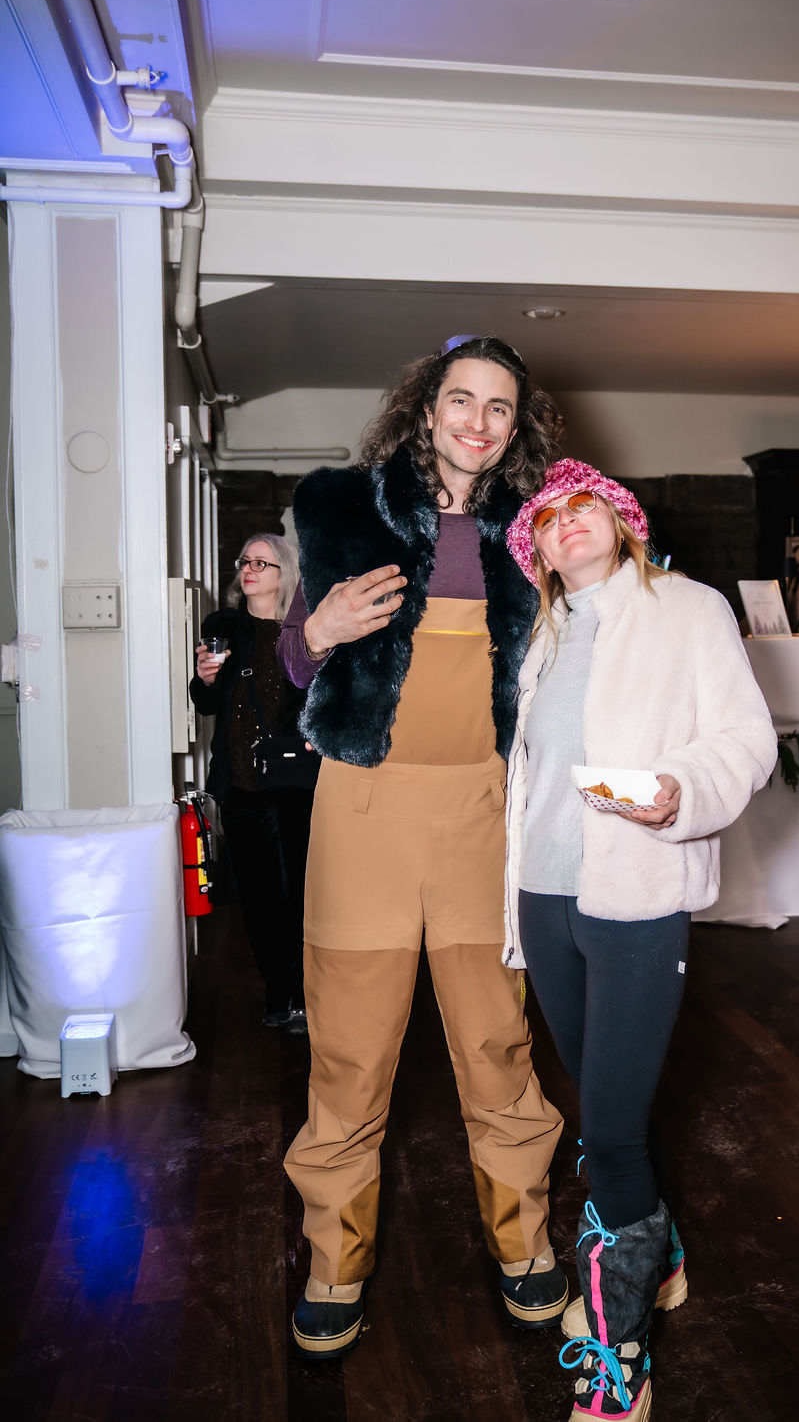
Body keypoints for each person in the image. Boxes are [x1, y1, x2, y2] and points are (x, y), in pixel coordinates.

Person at [277, 334, 568, 1357]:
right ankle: (335, 1258)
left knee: (496, 1044)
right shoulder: (343, 510)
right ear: (426, 407)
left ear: (516, 426)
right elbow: (293, 656)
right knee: (351, 1052)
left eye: (499, 406)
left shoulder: (533, 534)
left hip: (485, 814)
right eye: (461, 399)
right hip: (362, 811)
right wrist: (317, 633)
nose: (477, 422)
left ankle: (524, 1239)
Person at [503, 460, 778, 1420]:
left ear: (621, 523)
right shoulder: (542, 634)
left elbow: (747, 738)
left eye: (585, 506)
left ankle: (621, 1358)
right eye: (548, 519)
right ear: (538, 552)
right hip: (544, 898)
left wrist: (681, 791)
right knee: (608, 1101)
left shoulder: (690, 609)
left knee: (609, 1135)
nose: (567, 523)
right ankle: (657, 1259)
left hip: (638, 895)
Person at [190, 534, 316, 1032]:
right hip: (241, 786)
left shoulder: (304, 631)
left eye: (262, 563)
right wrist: (204, 679)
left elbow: (322, 695)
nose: (249, 569)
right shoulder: (222, 627)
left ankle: (307, 995)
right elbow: (206, 703)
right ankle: (278, 992)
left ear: (285, 574)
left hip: (295, 785)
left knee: (301, 893)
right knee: (259, 899)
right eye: (246, 561)